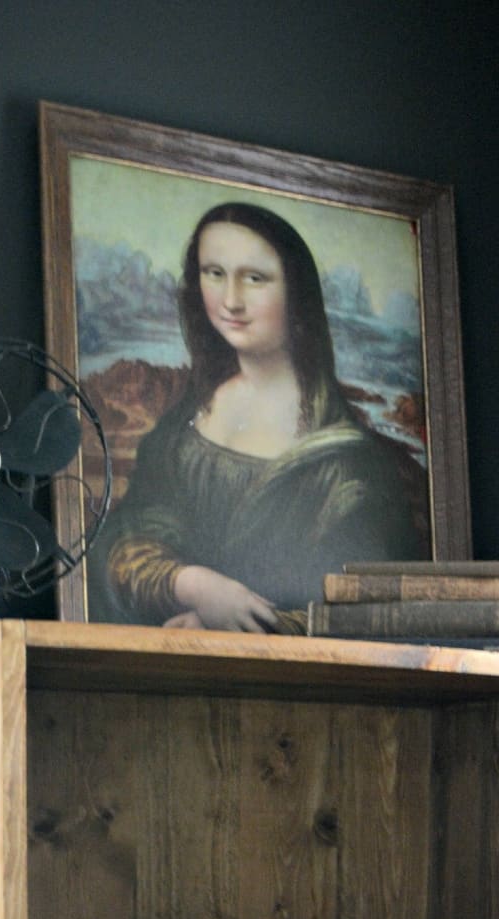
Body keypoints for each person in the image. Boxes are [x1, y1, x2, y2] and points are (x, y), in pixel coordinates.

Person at [97, 201, 425, 628]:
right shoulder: (187, 421)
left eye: (254, 278)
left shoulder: (350, 465)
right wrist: (193, 584)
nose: (231, 300)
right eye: (214, 274)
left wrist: (227, 629)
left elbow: (365, 616)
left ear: (295, 291)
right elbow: (129, 539)